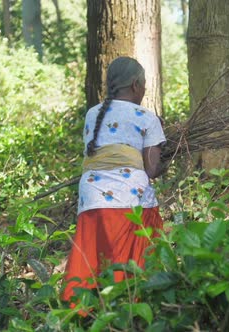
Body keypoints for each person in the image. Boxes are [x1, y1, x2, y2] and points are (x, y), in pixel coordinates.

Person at [61, 56, 166, 304]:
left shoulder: (92, 114)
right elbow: (151, 169)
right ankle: (133, 306)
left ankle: (84, 310)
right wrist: (166, 153)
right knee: (138, 256)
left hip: (92, 197)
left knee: (94, 257)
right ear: (135, 85)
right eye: (144, 84)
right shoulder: (147, 117)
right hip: (130, 198)